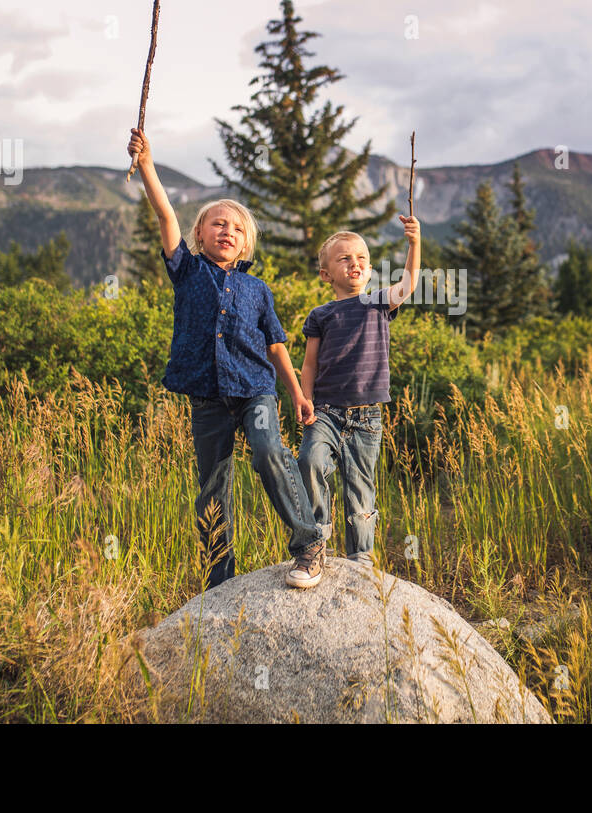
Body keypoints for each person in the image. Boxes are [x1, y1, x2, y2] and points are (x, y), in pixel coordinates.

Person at [127, 128, 323, 589]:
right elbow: (164, 213)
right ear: (199, 233)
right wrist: (149, 164)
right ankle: (219, 581)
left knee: (268, 450)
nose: (226, 231)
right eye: (217, 224)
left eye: (237, 228)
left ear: (246, 243)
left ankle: (309, 542)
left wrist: (297, 394)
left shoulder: (257, 290)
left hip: (255, 390)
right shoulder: (187, 270)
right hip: (208, 397)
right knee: (212, 489)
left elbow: (276, 346)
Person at [291, 213, 421, 587]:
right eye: (344, 258)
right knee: (309, 461)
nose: (355, 263)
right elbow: (310, 363)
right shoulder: (321, 314)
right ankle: (314, 546)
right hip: (327, 412)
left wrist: (414, 242)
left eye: (362, 258)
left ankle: (361, 557)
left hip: (367, 417)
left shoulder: (379, 303)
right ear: (326, 274)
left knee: (360, 486)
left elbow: (409, 283)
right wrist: (306, 399)